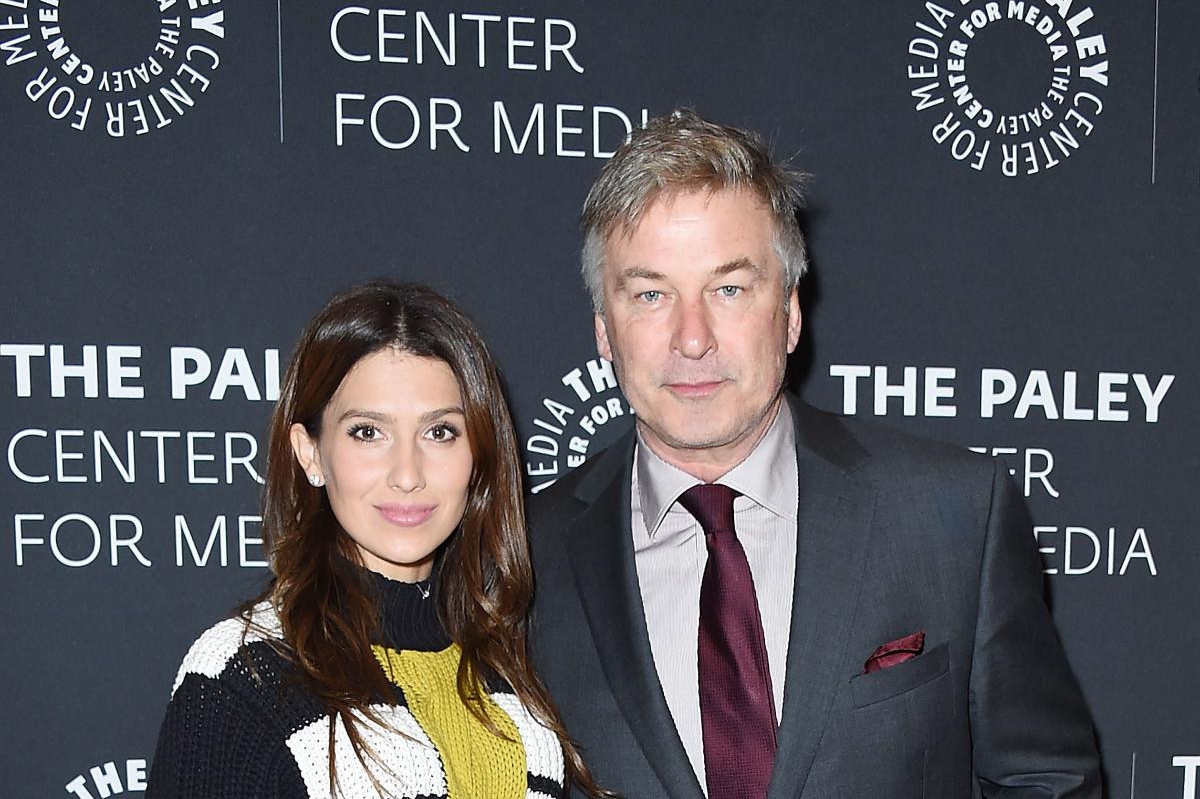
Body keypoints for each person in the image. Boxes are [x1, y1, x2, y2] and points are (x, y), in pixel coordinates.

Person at [527, 110, 1102, 798]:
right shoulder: (522, 557)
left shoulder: (952, 516)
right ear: (604, 330)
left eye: (730, 289)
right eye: (650, 294)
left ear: (791, 312)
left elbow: (1046, 780)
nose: (691, 338)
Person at [148, 281, 605, 799]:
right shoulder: (243, 673)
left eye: (440, 432)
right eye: (368, 432)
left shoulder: (508, 660)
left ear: (479, 456)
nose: (407, 473)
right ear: (310, 453)